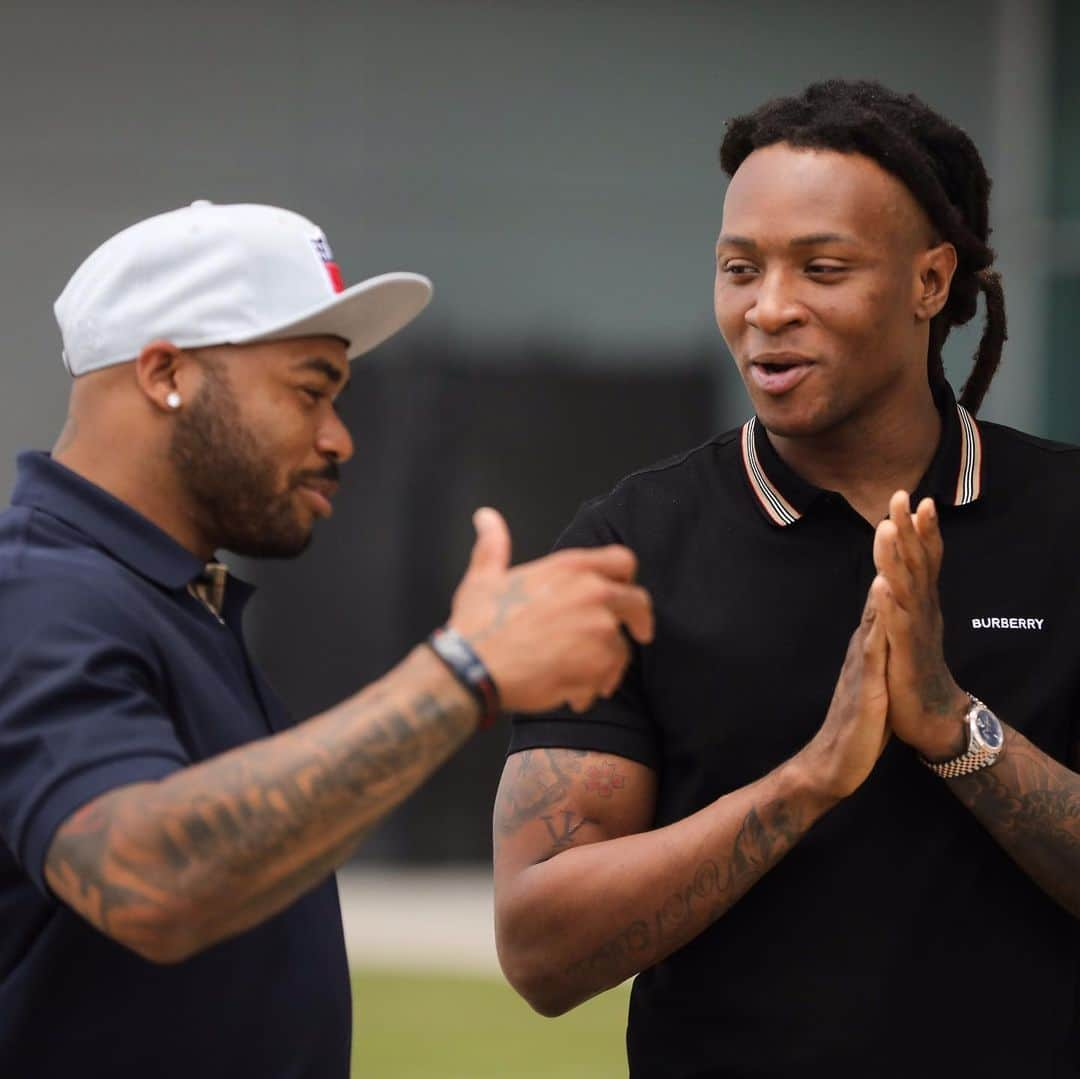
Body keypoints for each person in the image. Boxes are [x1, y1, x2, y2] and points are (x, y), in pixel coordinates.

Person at [493, 80, 1079, 1078]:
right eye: (739, 268)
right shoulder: (627, 549)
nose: (768, 308)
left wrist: (952, 727)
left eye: (822, 266)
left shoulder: (1066, 520)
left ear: (930, 281)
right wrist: (806, 782)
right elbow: (540, 950)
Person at [0, 200, 654, 1077]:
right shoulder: (38, 591)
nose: (340, 437)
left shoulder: (169, 596)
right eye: (310, 390)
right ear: (164, 373)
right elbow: (146, 877)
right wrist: (466, 669)